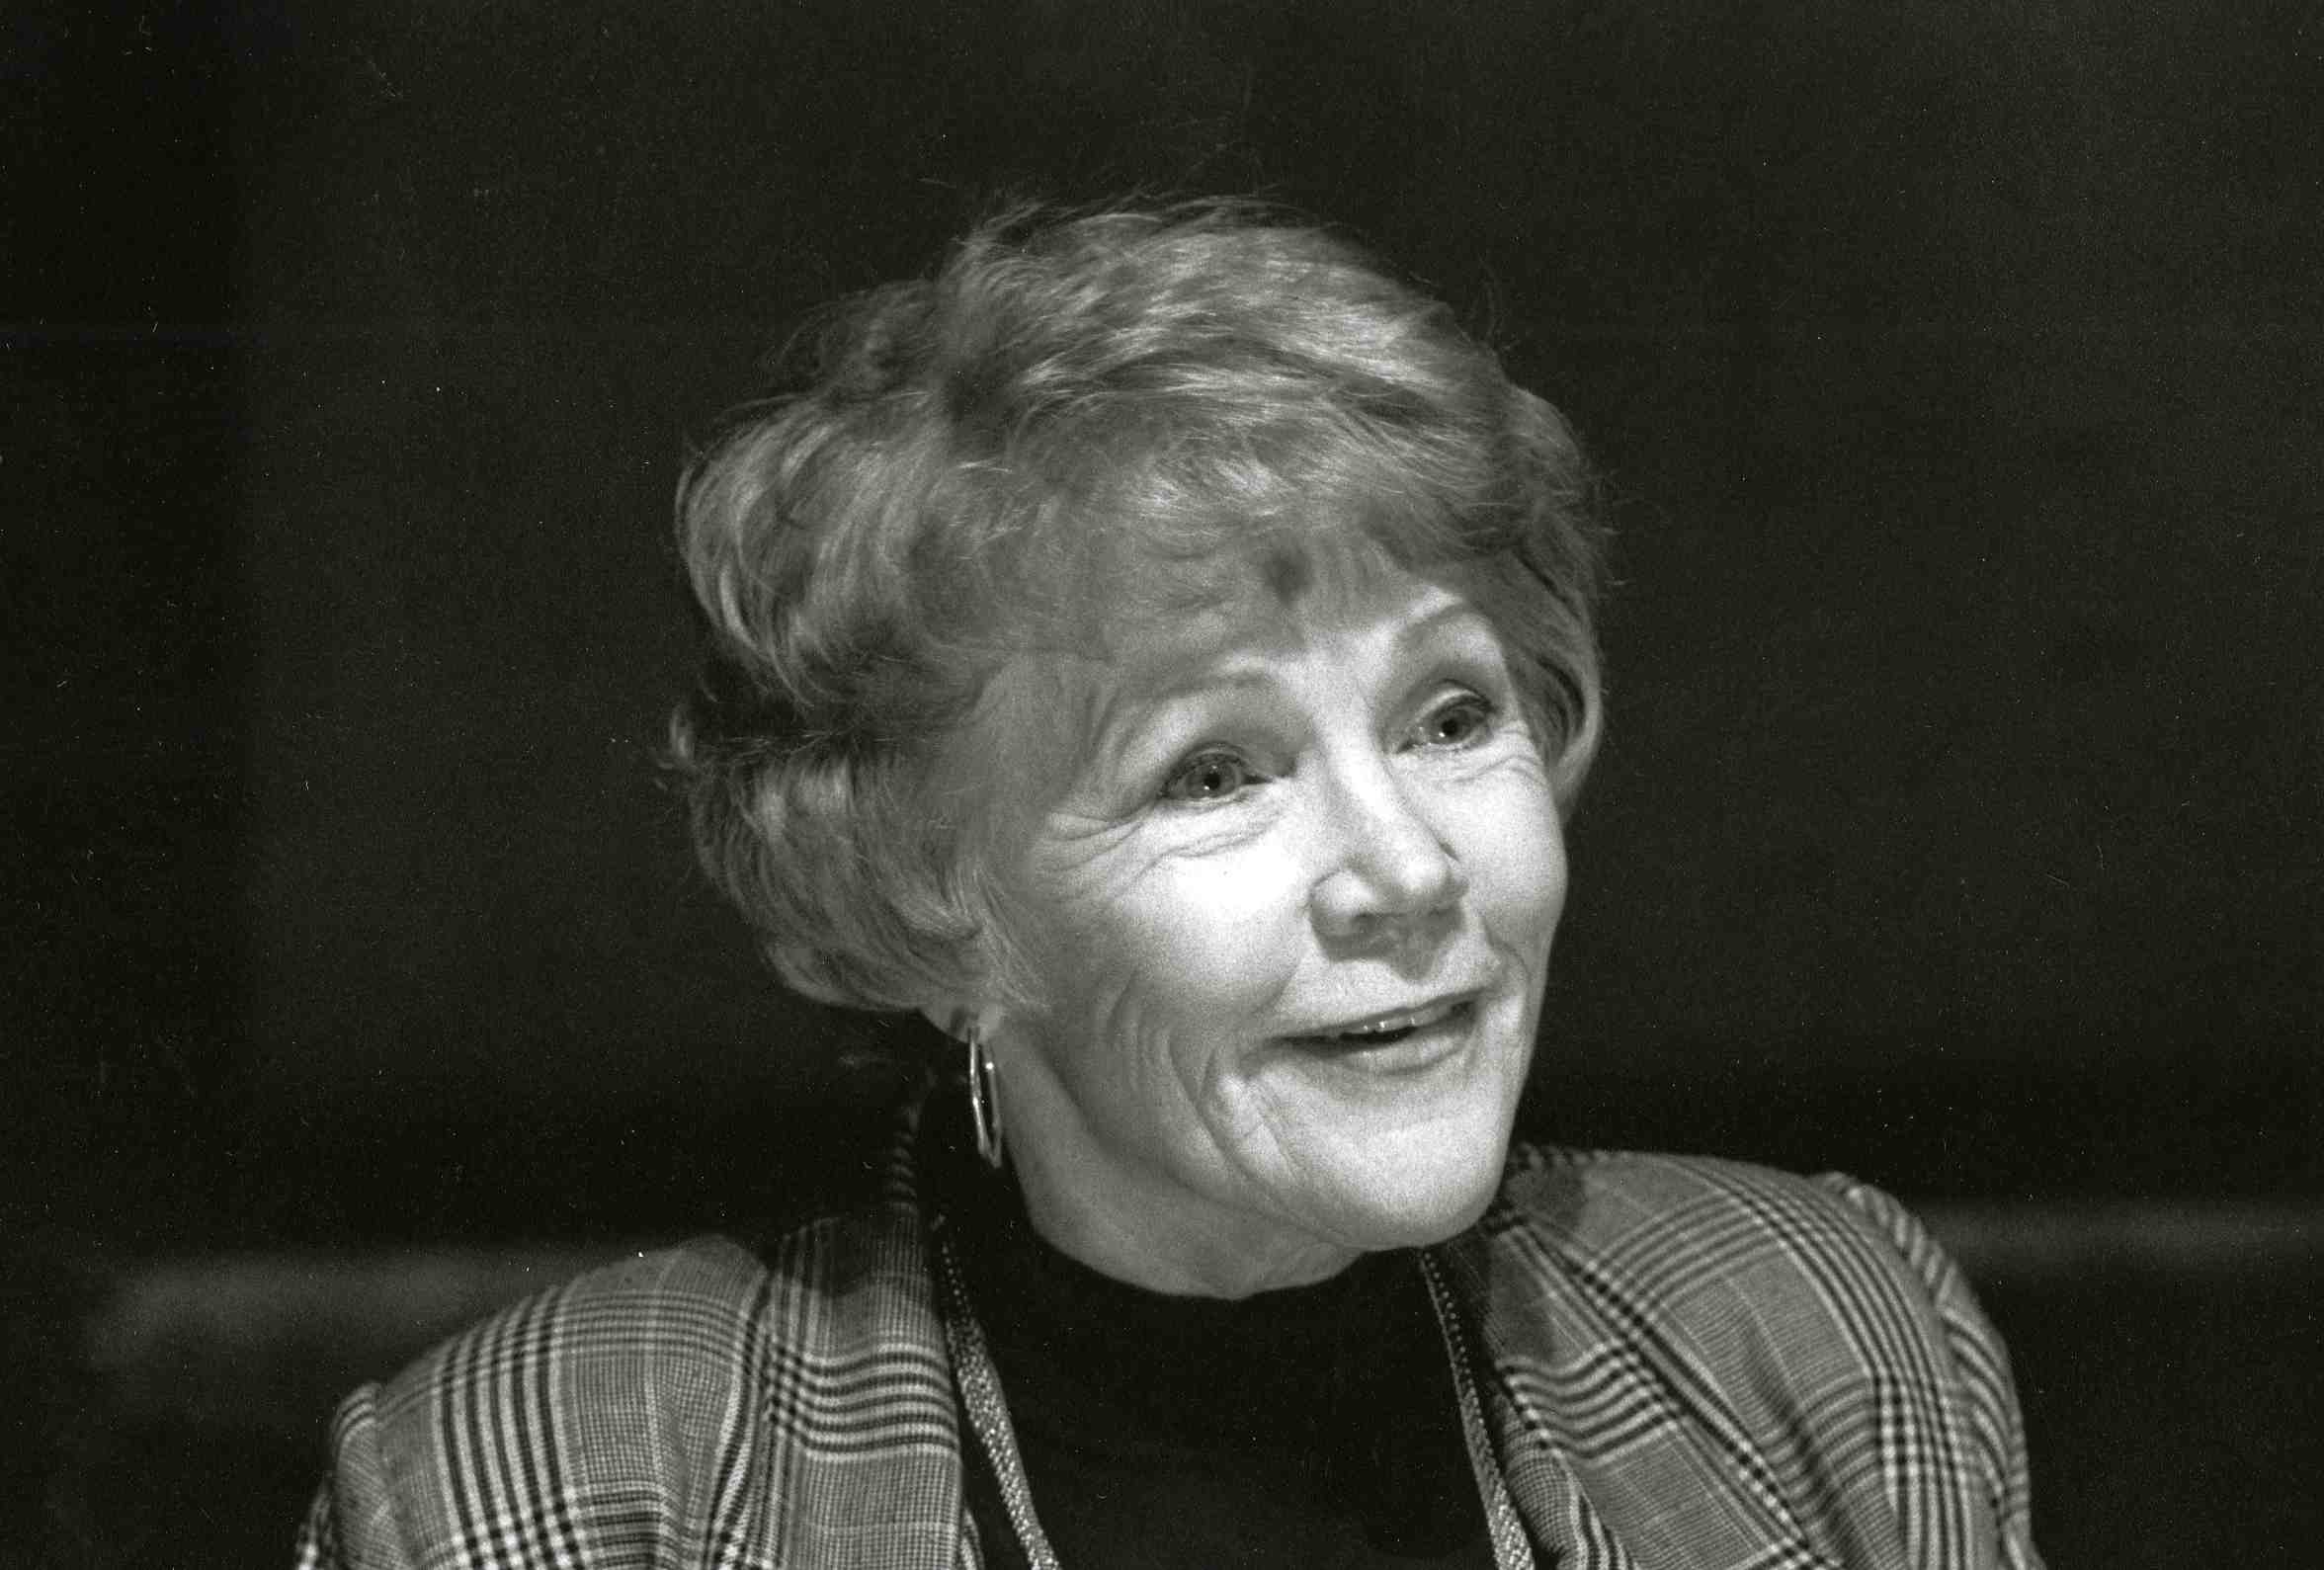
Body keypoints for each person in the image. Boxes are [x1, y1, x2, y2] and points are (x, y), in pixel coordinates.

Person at [294, 203, 2041, 1569]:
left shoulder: (1819, 1334)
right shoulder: (564, 1490)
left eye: (1450, 715)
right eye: (1215, 771)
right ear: (930, 907)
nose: (1408, 866)